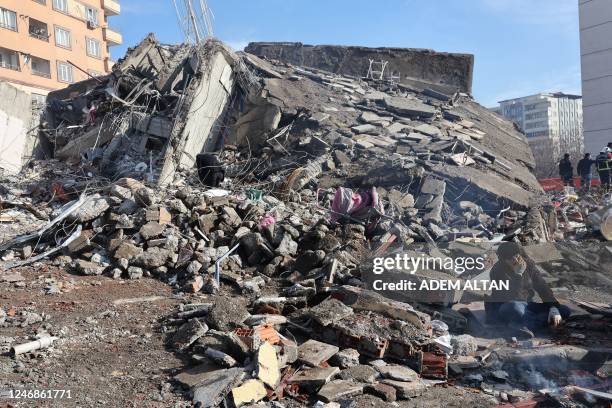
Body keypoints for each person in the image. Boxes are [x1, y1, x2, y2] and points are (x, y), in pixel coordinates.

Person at [485, 242, 571, 339]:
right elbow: (512, 297)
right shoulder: (497, 271)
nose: (515, 260)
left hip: (528, 306)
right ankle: (538, 324)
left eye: (516, 256)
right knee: (515, 307)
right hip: (506, 306)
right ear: (503, 260)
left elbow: (542, 286)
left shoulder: (528, 264)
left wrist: (553, 307)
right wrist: (518, 274)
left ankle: (525, 324)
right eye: (510, 259)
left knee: (564, 310)